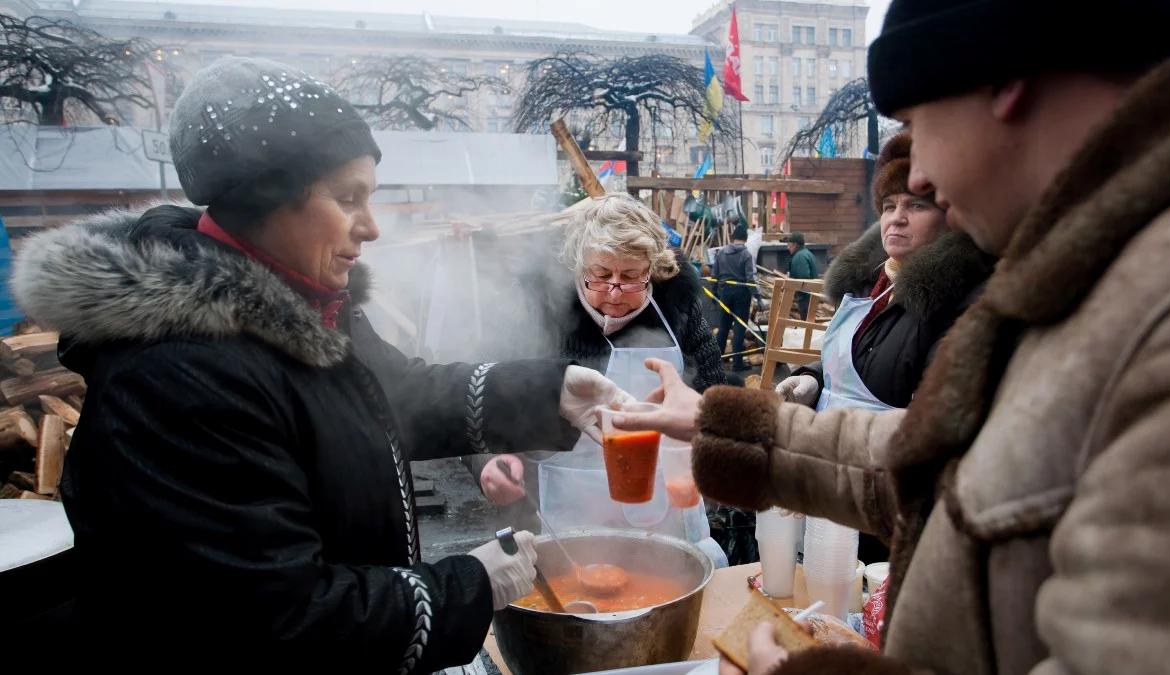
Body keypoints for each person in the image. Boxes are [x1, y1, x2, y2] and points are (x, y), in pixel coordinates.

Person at [616, 0, 1170, 672]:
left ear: (1005, 79)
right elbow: (945, 463)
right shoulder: (1088, 277)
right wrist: (730, 428)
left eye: (919, 125)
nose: (916, 174)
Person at [10, 57, 633, 667]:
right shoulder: (178, 374)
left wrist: (553, 392)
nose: (371, 228)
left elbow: (397, 391)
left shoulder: (302, 304)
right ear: (266, 200)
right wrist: (466, 586)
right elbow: (275, 619)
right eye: (348, 198)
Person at [777, 133, 992, 565]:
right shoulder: (873, 283)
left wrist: (818, 467)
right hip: (828, 479)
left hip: (885, 504)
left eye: (915, 206)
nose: (896, 219)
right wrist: (812, 380)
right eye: (890, 206)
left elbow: (929, 425)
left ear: (950, 216)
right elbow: (860, 360)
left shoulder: (957, 303)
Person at [471, 194, 727, 558]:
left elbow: (713, 390)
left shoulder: (677, 305)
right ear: (579, 267)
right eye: (602, 275)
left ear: (652, 269)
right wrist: (489, 461)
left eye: (631, 277)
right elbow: (481, 392)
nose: (615, 291)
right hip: (563, 507)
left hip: (663, 505)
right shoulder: (537, 309)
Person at [712, 224, 759, 372]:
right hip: (741, 295)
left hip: (725, 293)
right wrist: (757, 295)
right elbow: (750, 278)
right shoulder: (746, 255)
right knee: (739, 328)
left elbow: (714, 276)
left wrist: (715, 294)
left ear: (733, 238)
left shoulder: (721, 253)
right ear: (745, 239)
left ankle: (717, 362)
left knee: (724, 327)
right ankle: (737, 363)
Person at [783, 231, 819, 318]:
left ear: (795, 244)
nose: (788, 248)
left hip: (805, 298)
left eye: (789, 244)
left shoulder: (799, 257)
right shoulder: (807, 253)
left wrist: (793, 287)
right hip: (811, 296)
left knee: (806, 322)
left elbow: (803, 278)